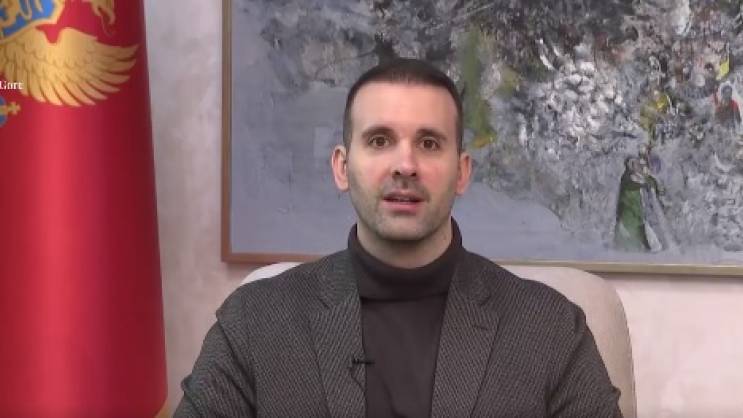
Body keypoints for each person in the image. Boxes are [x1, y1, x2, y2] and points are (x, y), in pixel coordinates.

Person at [175, 58, 622, 417]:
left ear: (462, 172)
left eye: (429, 143)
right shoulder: (254, 322)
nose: (405, 165)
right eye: (379, 140)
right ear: (342, 167)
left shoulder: (550, 329)